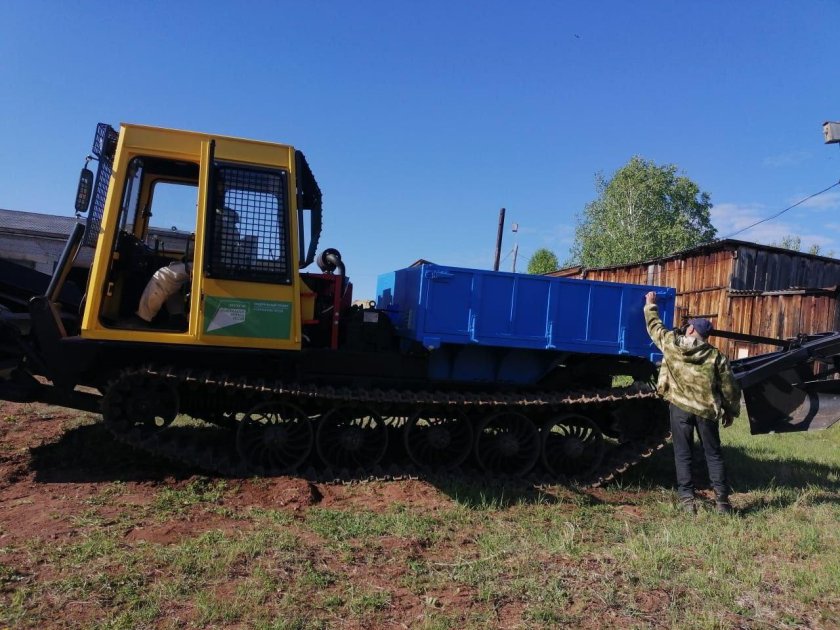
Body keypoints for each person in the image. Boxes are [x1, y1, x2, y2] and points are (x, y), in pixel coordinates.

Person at [643, 291, 741, 515]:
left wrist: (650, 304)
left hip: (679, 408)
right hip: (706, 411)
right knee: (713, 455)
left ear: (690, 330)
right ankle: (722, 502)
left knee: (683, 453)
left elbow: (655, 327)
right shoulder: (716, 356)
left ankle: (688, 501)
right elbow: (730, 389)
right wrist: (730, 411)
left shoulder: (672, 344)